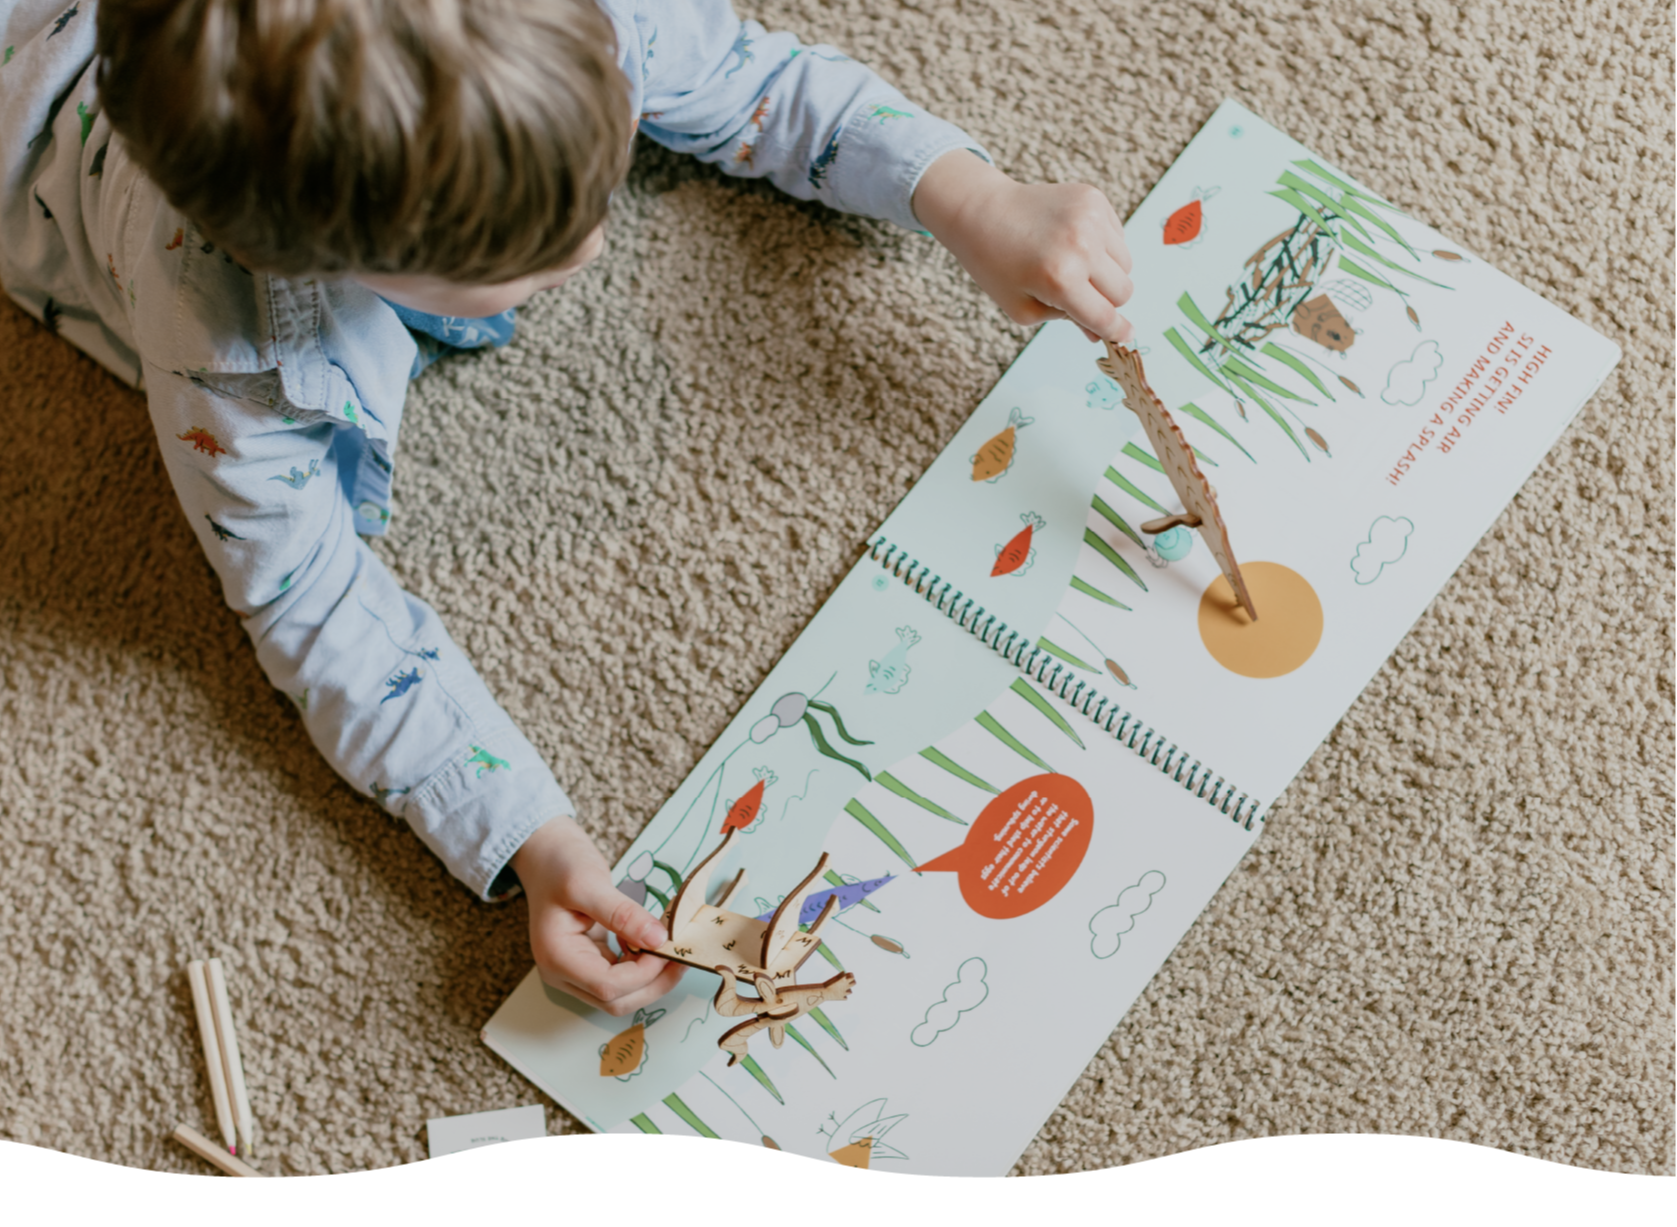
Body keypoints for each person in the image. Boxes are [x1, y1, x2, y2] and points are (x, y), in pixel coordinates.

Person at [0, 0, 1134, 1016]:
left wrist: (971, 194)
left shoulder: (568, 15)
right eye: (530, 258)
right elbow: (313, 610)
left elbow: (751, 77)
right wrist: (534, 842)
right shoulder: (225, 355)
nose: (594, 244)